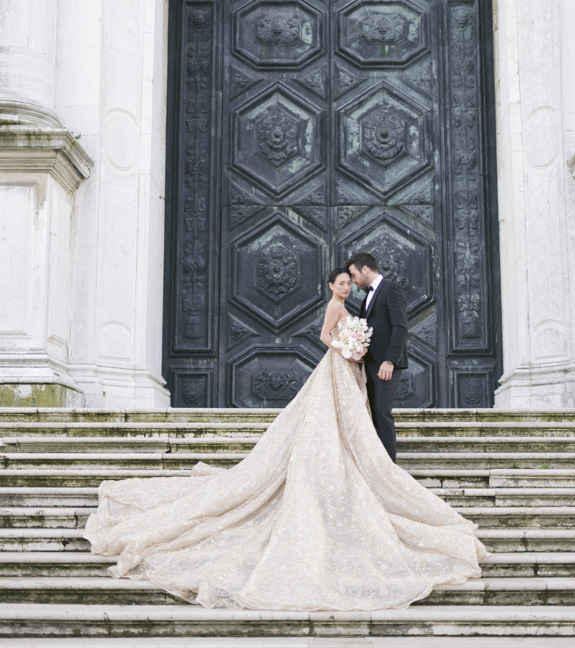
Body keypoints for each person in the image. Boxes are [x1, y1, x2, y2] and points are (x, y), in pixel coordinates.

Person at [84, 267, 487, 611]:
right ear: (332, 286)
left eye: (350, 283)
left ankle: (355, 459)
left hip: (346, 371)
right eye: (342, 283)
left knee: (348, 421)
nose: (347, 288)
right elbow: (325, 337)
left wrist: (355, 346)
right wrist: (346, 346)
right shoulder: (335, 308)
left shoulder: (351, 306)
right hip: (337, 365)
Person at [347, 251, 407, 462]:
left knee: (382, 413)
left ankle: (389, 467)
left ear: (365, 269)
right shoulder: (366, 298)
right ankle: (376, 464)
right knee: (372, 415)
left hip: (386, 364)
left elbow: (400, 326)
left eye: (354, 275)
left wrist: (390, 360)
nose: (353, 281)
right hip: (370, 365)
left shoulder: (391, 289)